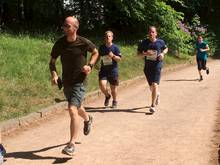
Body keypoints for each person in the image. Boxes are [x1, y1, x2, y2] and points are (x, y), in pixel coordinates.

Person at [49, 16, 99, 155]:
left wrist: (90, 65)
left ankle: (71, 144)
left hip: (80, 81)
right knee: (78, 107)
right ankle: (88, 119)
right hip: (66, 81)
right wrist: (54, 74)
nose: (64, 27)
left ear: (75, 28)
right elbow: (52, 62)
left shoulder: (83, 42)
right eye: (64, 25)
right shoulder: (60, 43)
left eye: (67, 25)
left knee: (72, 109)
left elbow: (95, 53)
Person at [137, 26, 168, 113]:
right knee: (151, 87)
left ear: (156, 33)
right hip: (147, 67)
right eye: (150, 32)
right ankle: (157, 94)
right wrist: (145, 54)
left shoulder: (160, 42)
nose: (151, 33)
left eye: (153, 32)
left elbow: (166, 48)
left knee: (154, 84)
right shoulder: (144, 43)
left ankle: (152, 105)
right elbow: (138, 54)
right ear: (148, 33)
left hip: (157, 66)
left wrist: (162, 54)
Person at [98, 31, 122, 108]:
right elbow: (98, 56)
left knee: (113, 89)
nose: (108, 38)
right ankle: (107, 96)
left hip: (113, 71)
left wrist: (113, 56)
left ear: (112, 38)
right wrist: (94, 64)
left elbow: (119, 59)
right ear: (104, 38)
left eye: (109, 36)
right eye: (106, 36)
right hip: (103, 71)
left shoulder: (115, 47)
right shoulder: (101, 47)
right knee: (102, 85)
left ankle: (114, 101)